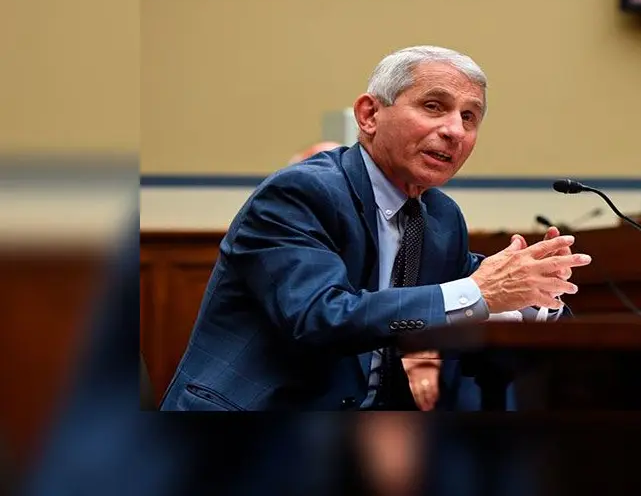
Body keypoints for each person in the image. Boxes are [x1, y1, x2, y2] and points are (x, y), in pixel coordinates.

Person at [159, 45, 589, 412]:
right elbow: (319, 318)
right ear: (369, 115)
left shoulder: (440, 217)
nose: (454, 130)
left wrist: (536, 296)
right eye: (433, 106)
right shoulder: (300, 193)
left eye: (469, 117)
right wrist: (480, 291)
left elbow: (472, 301)